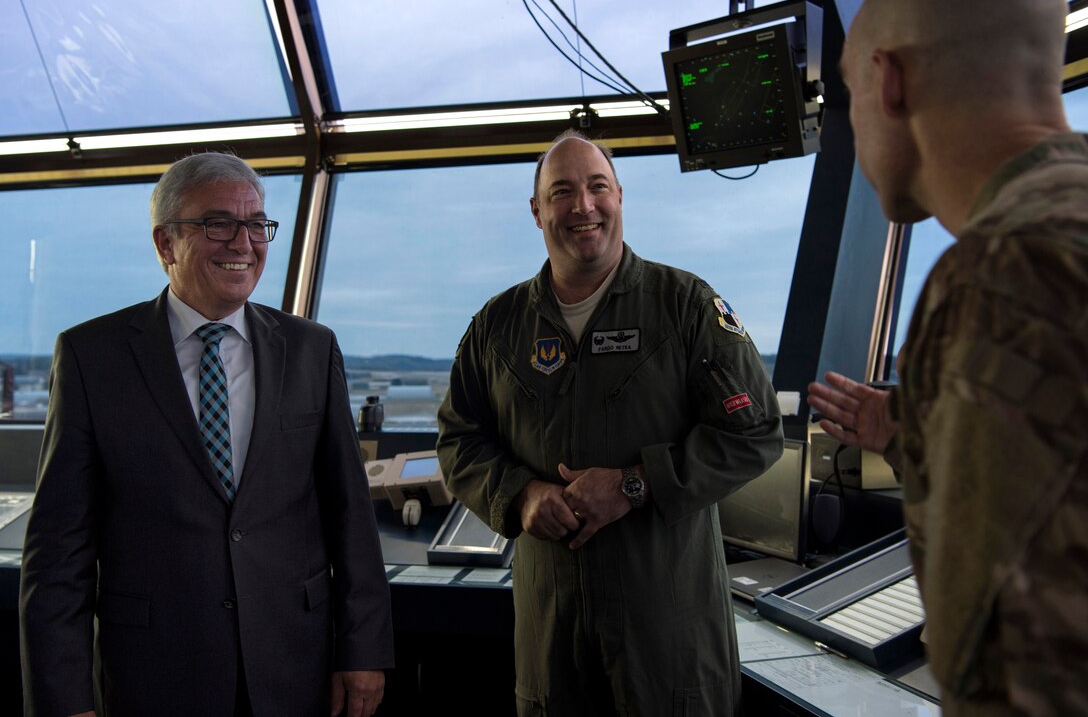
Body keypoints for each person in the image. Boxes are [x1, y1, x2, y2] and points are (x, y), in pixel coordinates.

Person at [19, 152, 395, 717]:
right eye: (218, 223)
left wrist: (365, 649)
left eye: (256, 224)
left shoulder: (312, 350)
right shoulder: (91, 357)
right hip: (154, 673)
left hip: (295, 666)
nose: (243, 242)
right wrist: (64, 700)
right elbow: (58, 553)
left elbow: (351, 520)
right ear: (165, 244)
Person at [435, 129, 783, 716]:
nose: (584, 206)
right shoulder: (497, 328)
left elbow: (753, 433)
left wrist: (633, 484)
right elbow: (458, 439)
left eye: (598, 187)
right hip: (551, 636)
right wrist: (520, 496)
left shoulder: (686, 307)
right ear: (537, 210)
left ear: (619, 196)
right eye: (562, 191)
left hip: (667, 634)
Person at [806, 0, 1088, 714]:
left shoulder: (1000, 281)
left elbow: (1021, 675)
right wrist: (922, 429)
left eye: (848, 93)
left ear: (889, 81)